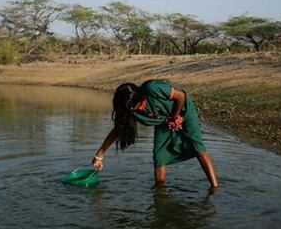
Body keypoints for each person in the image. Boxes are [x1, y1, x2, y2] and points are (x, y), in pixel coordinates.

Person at [91, 80, 219, 190]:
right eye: (135, 107)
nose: (140, 108)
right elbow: (117, 130)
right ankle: (160, 193)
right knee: (159, 157)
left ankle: (214, 188)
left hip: (183, 111)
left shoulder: (152, 88)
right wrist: (99, 155)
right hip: (163, 121)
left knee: (198, 148)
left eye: (141, 103)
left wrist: (175, 117)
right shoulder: (130, 109)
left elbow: (181, 97)